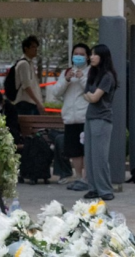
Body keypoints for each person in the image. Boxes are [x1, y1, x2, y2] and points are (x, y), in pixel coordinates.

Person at [48, 44, 91, 191]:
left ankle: (87, 178)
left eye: (82, 54)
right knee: (74, 151)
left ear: (87, 56)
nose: (78, 56)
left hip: (84, 117)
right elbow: (56, 92)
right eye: (76, 53)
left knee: (85, 149)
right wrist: (66, 79)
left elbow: (92, 89)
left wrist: (82, 78)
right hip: (70, 118)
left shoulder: (91, 71)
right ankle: (78, 177)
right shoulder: (67, 71)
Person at [82, 44, 118, 201]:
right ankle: (93, 188)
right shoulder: (93, 74)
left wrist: (90, 95)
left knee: (100, 156)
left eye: (95, 54)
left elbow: (94, 98)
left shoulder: (107, 76)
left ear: (103, 57)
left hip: (102, 119)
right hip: (90, 117)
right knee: (89, 156)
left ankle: (105, 190)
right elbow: (86, 94)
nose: (91, 57)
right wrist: (90, 95)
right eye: (91, 54)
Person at [10, 36, 44, 116]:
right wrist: (38, 102)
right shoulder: (23, 64)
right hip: (25, 104)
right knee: (28, 127)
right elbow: (26, 86)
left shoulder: (30, 63)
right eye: (33, 47)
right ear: (26, 48)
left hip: (30, 103)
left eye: (36, 47)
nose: (36, 49)